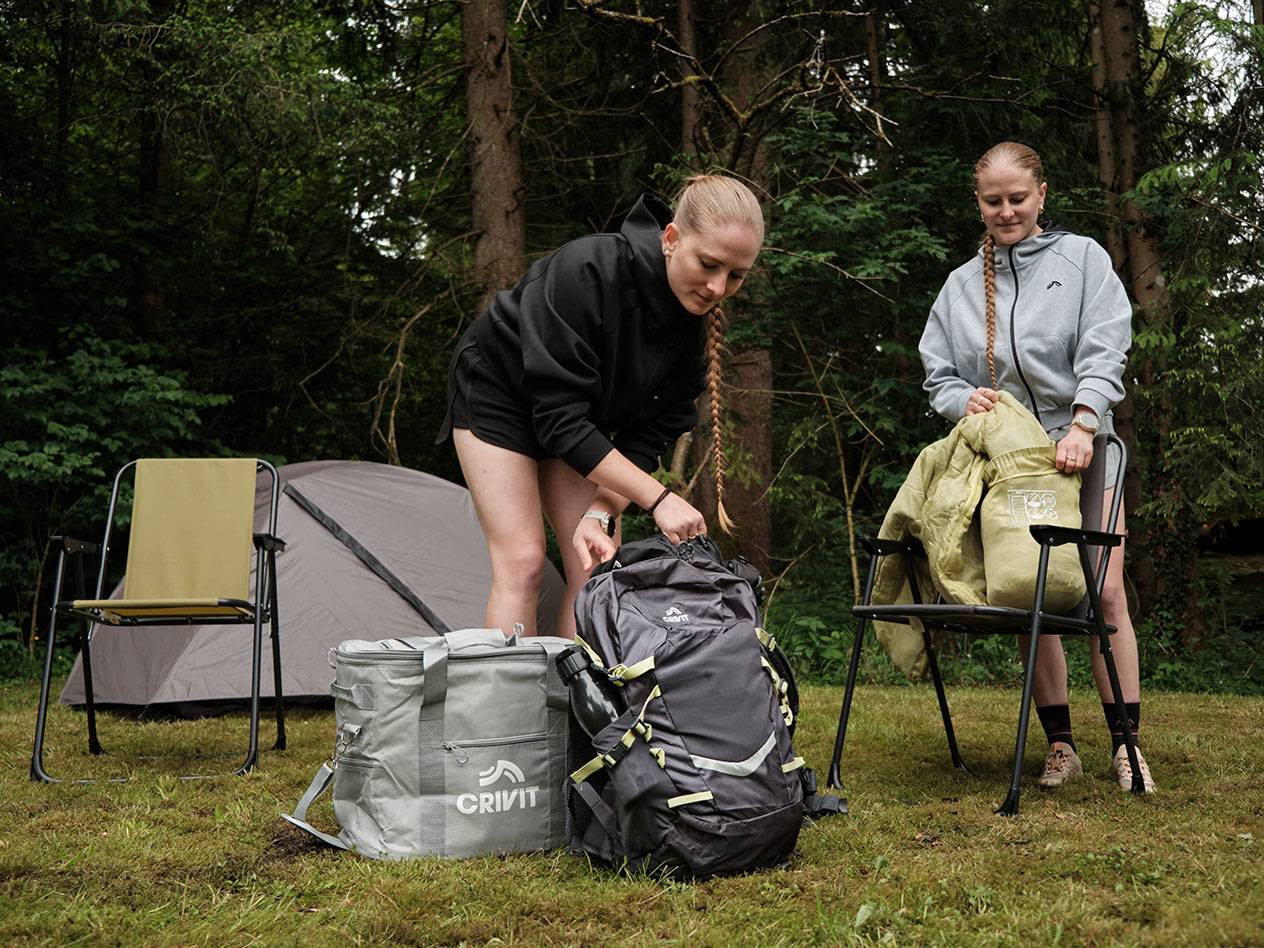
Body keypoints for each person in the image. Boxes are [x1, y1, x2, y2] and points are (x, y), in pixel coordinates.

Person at [918, 141, 1155, 793]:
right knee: (1030, 591)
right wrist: (960, 398)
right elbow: (937, 372)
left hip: (1083, 447)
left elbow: (1108, 344)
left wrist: (1083, 422)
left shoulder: (1081, 261)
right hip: (1014, 465)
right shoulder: (964, 285)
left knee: (1104, 590)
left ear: (1041, 195)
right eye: (992, 201)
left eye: (1017, 198)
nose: (1006, 211)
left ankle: (1127, 746)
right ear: (979, 203)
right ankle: (1060, 746)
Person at [436, 175, 764, 638]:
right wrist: (660, 499)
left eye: (736, 275)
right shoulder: (589, 269)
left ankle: (581, 708)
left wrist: (602, 509)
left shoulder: (690, 332)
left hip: (573, 423)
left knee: (596, 569)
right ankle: (509, 710)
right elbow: (558, 420)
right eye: (708, 264)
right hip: (498, 395)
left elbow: (648, 435)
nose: (716, 287)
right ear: (671, 239)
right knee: (524, 562)